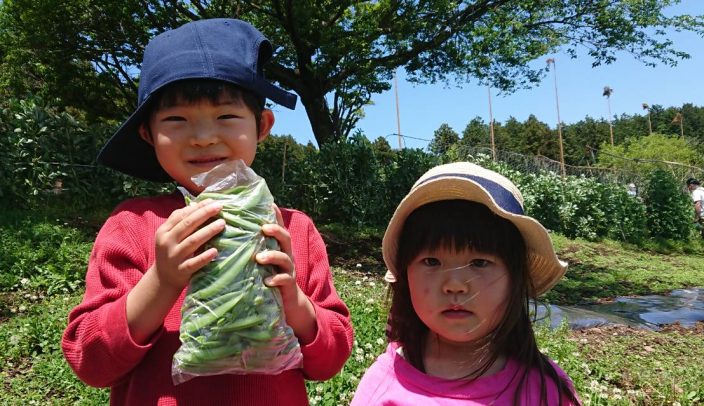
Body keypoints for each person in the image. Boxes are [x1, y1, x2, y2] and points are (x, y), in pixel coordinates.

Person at [62, 19, 353, 405]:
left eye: (226, 117)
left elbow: (331, 359)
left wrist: (295, 303)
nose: (202, 137)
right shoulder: (132, 226)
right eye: (176, 120)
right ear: (148, 133)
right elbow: (91, 362)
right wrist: (162, 280)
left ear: (262, 125)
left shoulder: (294, 230)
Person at [351, 162, 580, 405]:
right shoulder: (383, 384)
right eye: (431, 261)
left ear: (515, 279)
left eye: (479, 263)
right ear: (406, 277)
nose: (454, 285)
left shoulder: (546, 391)